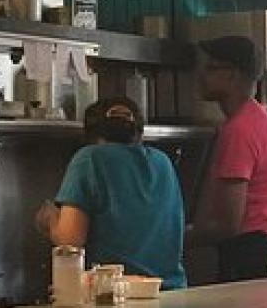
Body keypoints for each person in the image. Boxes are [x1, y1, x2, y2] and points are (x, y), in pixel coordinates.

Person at [36, 97, 187, 290]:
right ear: (139, 132)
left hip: (116, 294)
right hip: (171, 293)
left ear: (90, 134)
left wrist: (49, 219)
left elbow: (70, 242)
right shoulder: (162, 162)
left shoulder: (89, 158)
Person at [184, 36, 267, 282]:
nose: (201, 76)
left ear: (232, 75)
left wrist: (174, 240)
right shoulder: (261, 121)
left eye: (210, 68)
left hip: (253, 254)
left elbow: (228, 223)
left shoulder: (239, 130)